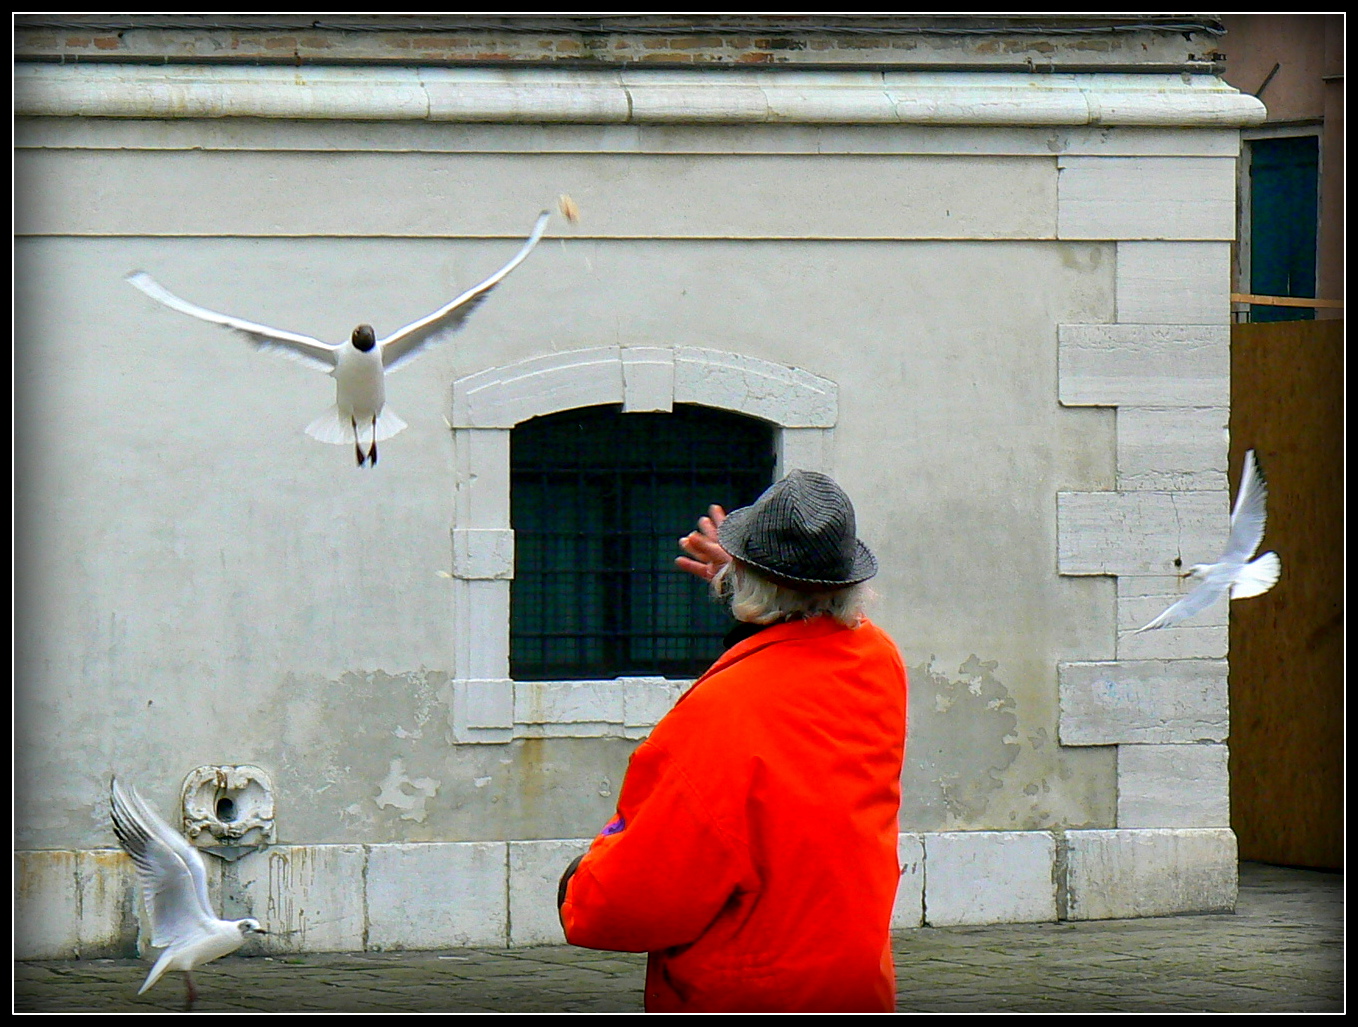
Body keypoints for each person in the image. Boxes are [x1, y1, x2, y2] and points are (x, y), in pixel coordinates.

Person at [557, 470, 908, 1012]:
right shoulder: (877, 661)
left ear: (750, 581)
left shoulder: (722, 710)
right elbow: (812, 629)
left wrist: (578, 887)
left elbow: (632, 902)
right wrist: (744, 578)